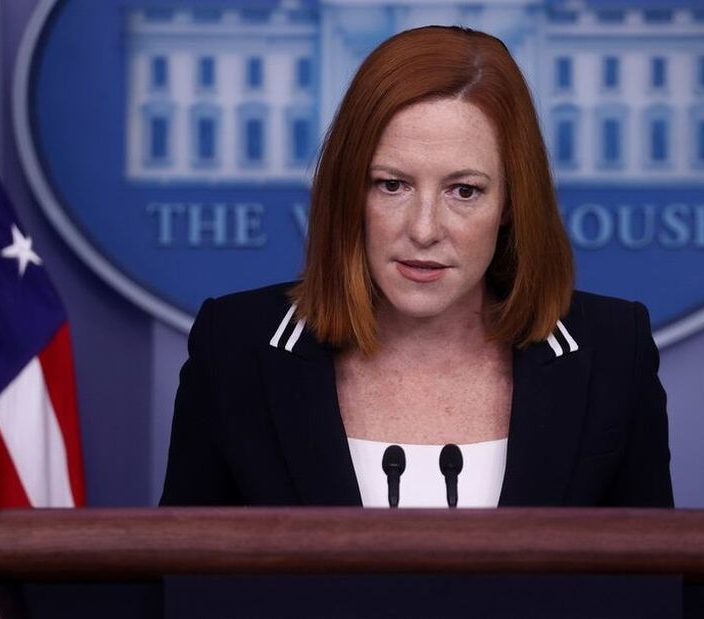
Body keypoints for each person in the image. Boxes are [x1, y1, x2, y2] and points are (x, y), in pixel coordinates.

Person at [160, 26, 673, 508]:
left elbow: (658, 593)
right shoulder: (233, 346)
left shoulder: (612, 353)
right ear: (348, 193)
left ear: (512, 203)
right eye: (391, 184)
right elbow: (177, 591)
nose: (424, 229)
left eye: (464, 191)